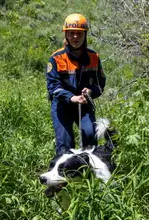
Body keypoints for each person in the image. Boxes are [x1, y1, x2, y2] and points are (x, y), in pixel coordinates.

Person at [45, 13, 106, 155]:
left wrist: (91, 92)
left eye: (79, 34)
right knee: (65, 144)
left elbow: (100, 83)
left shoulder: (93, 57)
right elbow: (53, 87)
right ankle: (65, 175)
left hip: (85, 105)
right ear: (66, 35)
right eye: (71, 33)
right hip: (62, 105)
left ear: (85, 35)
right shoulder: (56, 58)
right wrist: (71, 97)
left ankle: (89, 172)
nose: (75, 37)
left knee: (90, 136)